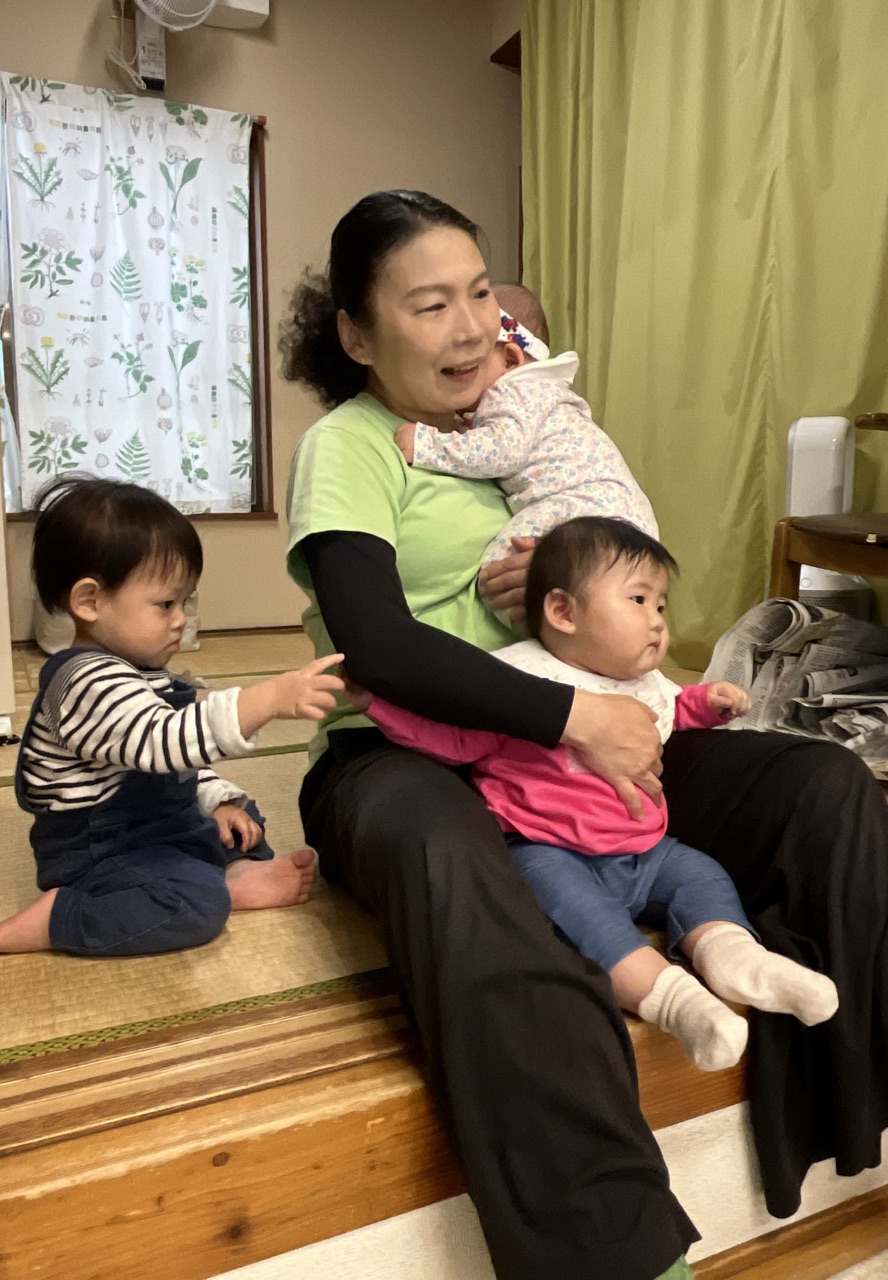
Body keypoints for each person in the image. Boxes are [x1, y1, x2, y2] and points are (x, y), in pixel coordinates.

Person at [280, 187, 888, 1272]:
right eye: (430, 304)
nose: (472, 327)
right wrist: (572, 715)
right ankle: (619, 1253)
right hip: (405, 753)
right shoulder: (353, 445)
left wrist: (570, 598)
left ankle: (833, 1110)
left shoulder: (523, 427)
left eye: (480, 294)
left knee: (826, 789)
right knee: (471, 877)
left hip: (581, 740)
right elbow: (377, 644)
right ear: (358, 335)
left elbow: (620, 573)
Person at [345, 516, 838, 1073]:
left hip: (646, 851)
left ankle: (734, 955)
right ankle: (676, 1002)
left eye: (661, 605)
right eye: (638, 600)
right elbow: (454, 738)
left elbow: (672, 709)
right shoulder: (519, 680)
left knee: (702, 875)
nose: (657, 620)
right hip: (548, 853)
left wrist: (707, 703)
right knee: (587, 920)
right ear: (563, 612)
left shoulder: (645, 682)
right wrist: (381, 706)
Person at [0, 476, 344, 959]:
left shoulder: (141, 669)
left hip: (155, 825)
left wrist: (218, 801)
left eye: (185, 601)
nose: (180, 618)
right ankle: (59, 918)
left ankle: (230, 868)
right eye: (166, 604)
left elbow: (179, 765)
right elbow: (164, 741)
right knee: (195, 906)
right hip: (100, 850)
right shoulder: (84, 680)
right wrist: (267, 699)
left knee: (243, 818)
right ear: (89, 601)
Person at [394, 282, 658, 571]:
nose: (458, 372)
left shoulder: (513, 392)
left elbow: (501, 451)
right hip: (622, 514)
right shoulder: (539, 393)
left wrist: (428, 444)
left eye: (468, 366)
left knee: (497, 566)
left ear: (510, 359)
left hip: (582, 506)